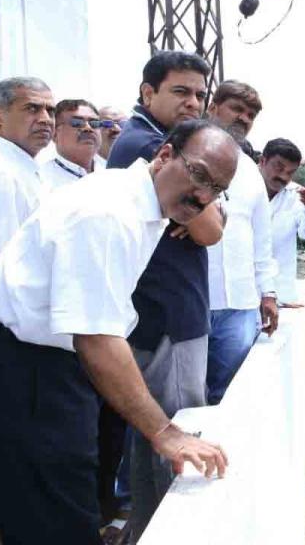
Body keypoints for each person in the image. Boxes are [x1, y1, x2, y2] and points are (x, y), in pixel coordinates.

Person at [0, 120, 235, 545]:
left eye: (216, 189)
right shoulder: (107, 212)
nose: (203, 196)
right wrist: (165, 433)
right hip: (28, 369)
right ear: (164, 156)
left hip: (52, 366)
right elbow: (96, 338)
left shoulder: (146, 202)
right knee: (55, 520)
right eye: (198, 174)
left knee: (62, 501)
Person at [105, 51, 226, 540]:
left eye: (200, 94)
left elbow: (209, 221)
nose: (192, 102)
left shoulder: (152, 144)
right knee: (177, 438)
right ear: (147, 92)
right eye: (180, 91)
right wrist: (211, 211)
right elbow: (213, 231)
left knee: (151, 444)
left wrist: (207, 212)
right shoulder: (148, 144)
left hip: (164, 317)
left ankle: (142, 531)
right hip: (170, 320)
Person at [204, 80, 277, 404]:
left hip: (241, 306)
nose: (243, 118)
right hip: (193, 303)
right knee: (184, 398)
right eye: (236, 109)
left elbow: (262, 240)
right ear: (213, 108)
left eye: (250, 115)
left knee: (231, 395)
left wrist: (269, 293)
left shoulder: (249, 172)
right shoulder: (183, 155)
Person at [257, 139, 305, 306]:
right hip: (241, 297)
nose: (283, 177)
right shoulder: (238, 189)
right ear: (262, 161)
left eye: (290, 172)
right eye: (279, 168)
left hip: (280, 298)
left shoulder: (297, 195)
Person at [0, 76, 54, 260]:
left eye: (50, 111)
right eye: (32, 109)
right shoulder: (1, 174)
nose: (45, 119)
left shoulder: (20, 167)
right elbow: (3, 262)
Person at [40, 99, 102, 190]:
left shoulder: (113, 175)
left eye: (94, 123)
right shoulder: (40, 181)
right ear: (54, 133)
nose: (88, 128)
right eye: (77, 123)